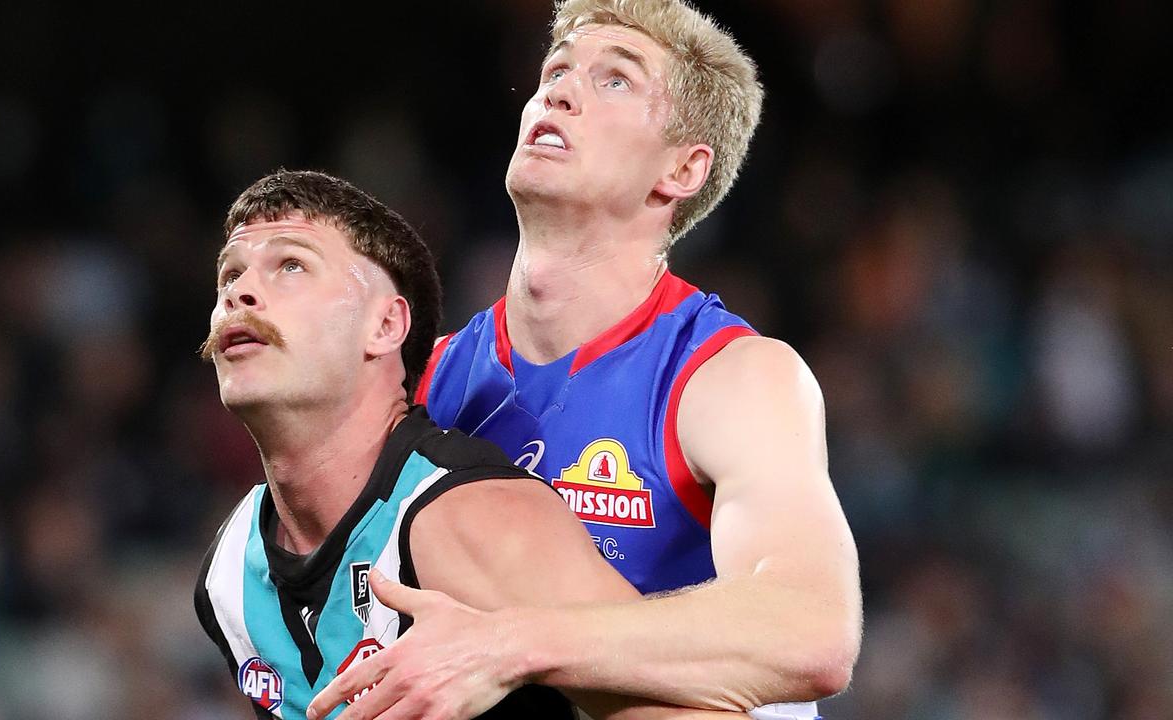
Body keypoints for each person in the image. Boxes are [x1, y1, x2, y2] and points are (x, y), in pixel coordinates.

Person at [307, 2, 862, 720]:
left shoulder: (730, 377)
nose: (558, 92)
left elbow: (812, 633)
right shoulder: (428, 381)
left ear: (682, 169)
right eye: (556, 71)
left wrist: (511, 643)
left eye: (617, 81)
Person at [193, 170, 753, 720]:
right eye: (229, 276)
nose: (239, 293)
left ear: (386, 326)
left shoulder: (470, 518)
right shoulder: (231, 568)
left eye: (291, 266)